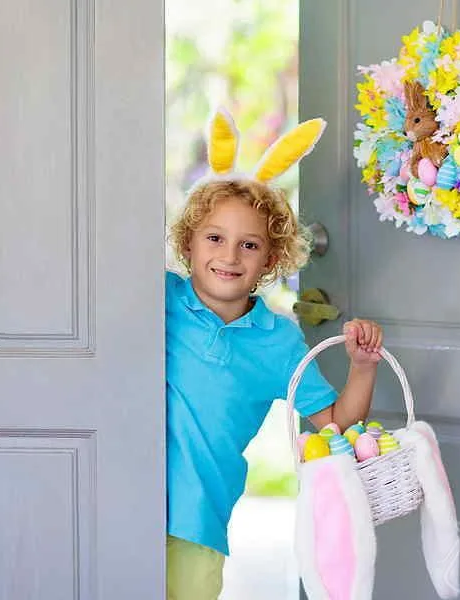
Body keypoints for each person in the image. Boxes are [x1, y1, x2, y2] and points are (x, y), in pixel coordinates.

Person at [164, 109, 385, 600]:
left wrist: (362, 367)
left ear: (271, 258)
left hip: (199, 516)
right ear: (189, 241)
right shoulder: (159, 299)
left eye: (249, 245)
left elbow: (335, 424)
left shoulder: (278, 340)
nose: (229, 256)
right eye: (215, 238)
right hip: (119, 497)